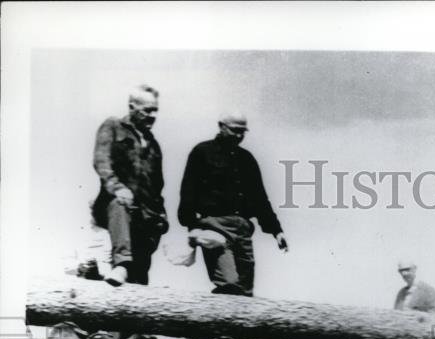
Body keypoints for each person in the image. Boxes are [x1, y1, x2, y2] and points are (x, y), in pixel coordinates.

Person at [178, 112, 288, 295]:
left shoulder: (247, 159)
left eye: (243, 132)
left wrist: (277, 231)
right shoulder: (202, 152)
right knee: (229, 286)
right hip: (214, 227)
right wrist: (192, 226)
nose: (239, 136)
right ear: (221, 126)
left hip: (243, 231)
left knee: (245, 293)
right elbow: (188, 191)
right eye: (235, 130)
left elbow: (260, 198)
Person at [92, 85, 168, 287]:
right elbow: (102, 162)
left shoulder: (154, 144)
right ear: (132, 107)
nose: (152, 115)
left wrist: (161, 215)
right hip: (116, 207)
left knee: (140, 280)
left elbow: (157, 185)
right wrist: (117, 188)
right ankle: (121, 265)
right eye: (147, 110)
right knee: (120, 204)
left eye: (155, 110)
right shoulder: (113, 126)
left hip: (145, 217)